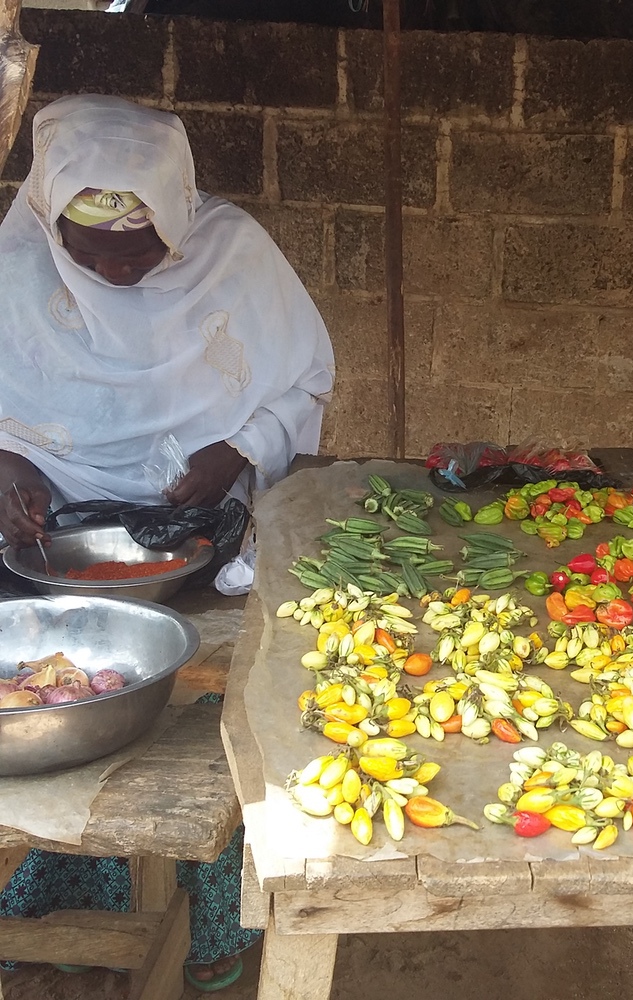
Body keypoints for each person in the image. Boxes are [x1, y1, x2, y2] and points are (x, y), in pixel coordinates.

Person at [0, 94, 336, 990]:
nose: (113, 270)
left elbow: (305, 376)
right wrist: (5, 462)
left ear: (180, 218)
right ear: (49, 221)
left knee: (213, 723)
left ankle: (220, 916)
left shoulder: (234, 253)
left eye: (140, 253)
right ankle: (75, 896)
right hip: (57, 548)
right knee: (77, 709)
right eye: (91, 251)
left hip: (203, 544)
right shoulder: (17, 257)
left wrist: (238, 449)